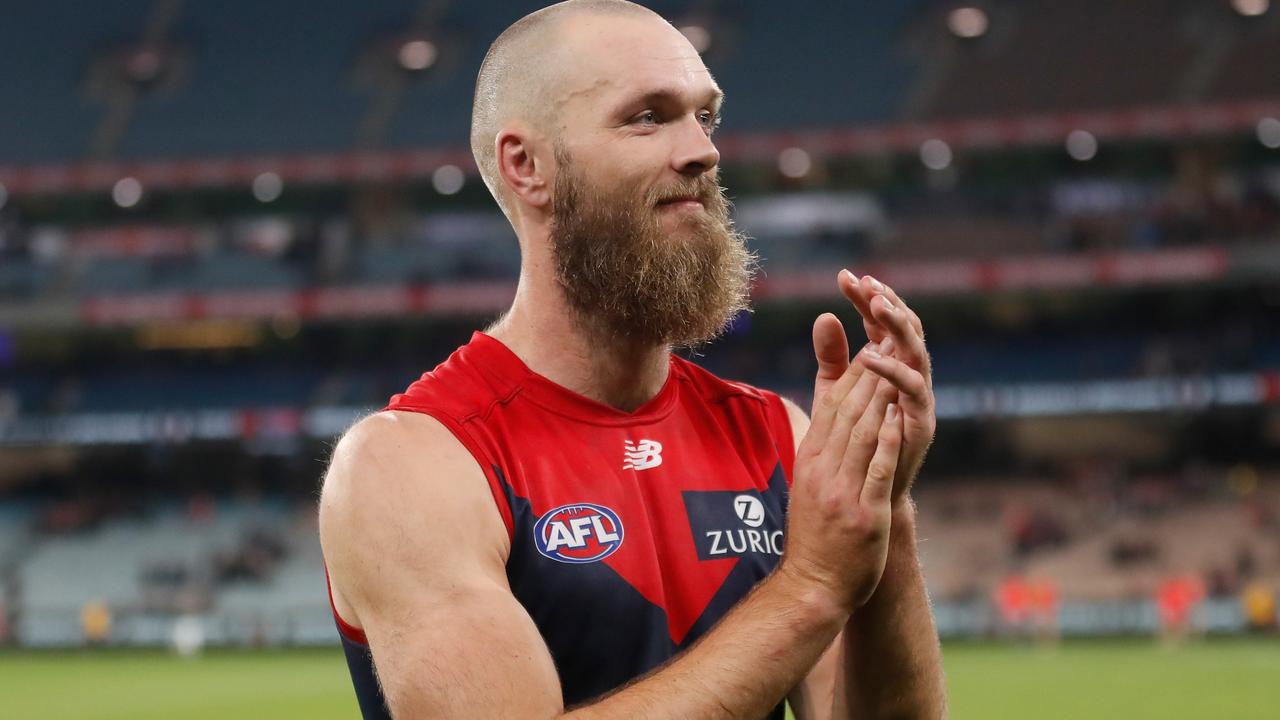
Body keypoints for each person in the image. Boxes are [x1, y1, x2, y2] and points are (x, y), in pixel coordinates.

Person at [319, 1, 946, 718]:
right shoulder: (412, 464)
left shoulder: (777, 435)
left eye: (704, 117)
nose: (702, 151)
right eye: (647, 116)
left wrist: (886, 507)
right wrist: (808, 590)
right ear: (527, 166)